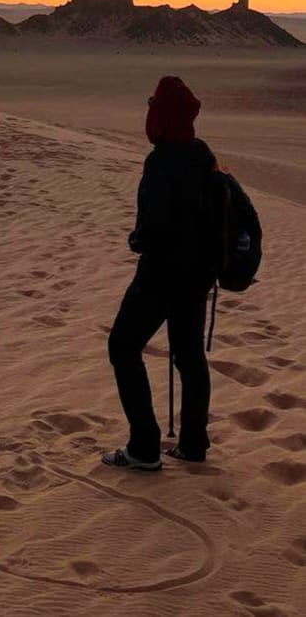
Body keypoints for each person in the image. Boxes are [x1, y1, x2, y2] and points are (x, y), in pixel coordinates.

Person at [103, 76, 219, 471]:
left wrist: (136, 239)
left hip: (161, 276)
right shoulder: (203, 155)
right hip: (197, 276)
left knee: (122, 346)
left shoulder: (161, 161)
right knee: (189, 355)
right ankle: (193, 444)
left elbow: (155, 228)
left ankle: (144, 447)